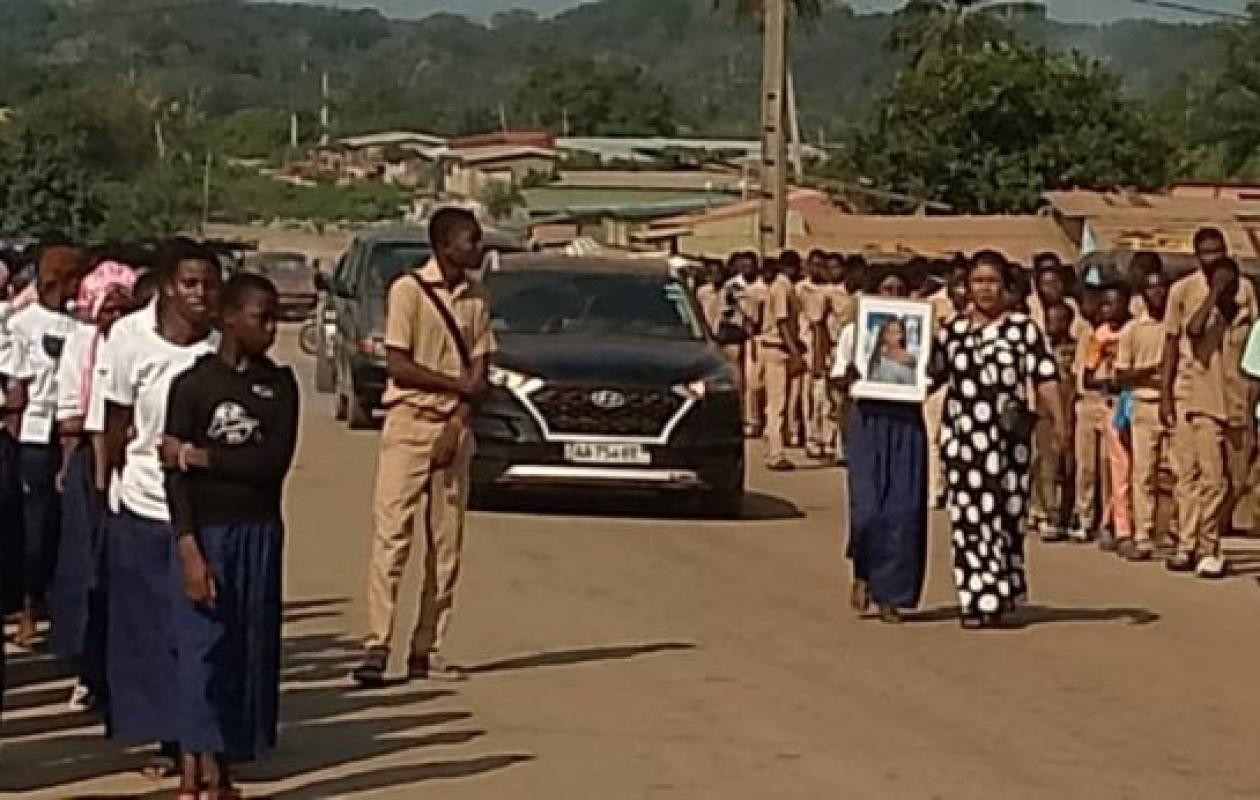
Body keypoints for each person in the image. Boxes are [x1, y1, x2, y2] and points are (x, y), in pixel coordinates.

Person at [160, 273, 298, 799]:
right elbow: (173, 477)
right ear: (230, 319)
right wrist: (188, 545)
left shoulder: (278, 386)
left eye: (275, 318)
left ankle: (223, 765)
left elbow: (270, 464)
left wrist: (200, 456)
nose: (272, 328)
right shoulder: (193, 385)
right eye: (262, 317)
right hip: (208, 534)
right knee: (202, 650)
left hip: (259, 532)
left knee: (246, 650)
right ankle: (196, 764)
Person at [353, 207, 495, 687]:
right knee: (392, 538)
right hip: (408, 422)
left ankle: (426, 647)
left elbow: (482, 369)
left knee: (446, 546)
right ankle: (377, 642)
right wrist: (456, 385)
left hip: (452, 429)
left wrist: (458, 418)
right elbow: (398, 364)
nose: (479, 249)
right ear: (444, 245)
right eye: (470, 240)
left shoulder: (475, 298)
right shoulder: (409, 292)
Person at [101, 237, 222, 775]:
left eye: (209, 285)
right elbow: (117, 419)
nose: (200, 295)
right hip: (143, 503)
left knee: (198, 629)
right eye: (189, 284)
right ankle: (169, 739)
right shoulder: (129, 338)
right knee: (151, 631)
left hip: (202, 512)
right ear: (168, 286)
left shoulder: (220, 346)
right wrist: (105, 482)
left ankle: (206, 735)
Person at [932, 250, 1067, 628]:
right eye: (978, 282)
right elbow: (932, 375)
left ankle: (1002, 588)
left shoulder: (1023, 330)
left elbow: (1044, 376)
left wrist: (1060, 423)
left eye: (992, 281)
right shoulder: (953, 332)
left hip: (1009, 441)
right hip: (964, 440)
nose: (985, 289)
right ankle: (976, 599)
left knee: (1007, 516)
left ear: (1005, 286)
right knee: (971, 519)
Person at [49, 257, 136, 711]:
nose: (113, 318)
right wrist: (72, 465)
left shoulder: (137, 346)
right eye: (107, 308)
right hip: (91, 461)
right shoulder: (81, 344)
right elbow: (72, 412)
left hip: (131, 466)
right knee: (88, 572)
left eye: (123, 309)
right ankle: (88, 668)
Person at [831, 267, 927, 623]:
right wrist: (850, 377)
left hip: (905, 422)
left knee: (902, 511)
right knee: (868, 509)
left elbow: (932, 375)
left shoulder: (920, 340)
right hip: (868, 420)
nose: (892, 294)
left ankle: (892, 595)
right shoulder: (855, 335)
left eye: (899, 289)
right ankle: (864, 570)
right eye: (885, 288)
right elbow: (837, 378)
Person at [1161, 231, 1257, 578]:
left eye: (1218, 252)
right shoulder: (1185, 291)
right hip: (1197, 393)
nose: (1212, 259)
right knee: (1200, 475)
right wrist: (1166, 395)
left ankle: (1201, 534)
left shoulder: (1246, 291)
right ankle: (1201, 545)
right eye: (1205, 254)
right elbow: (1182, 336)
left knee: (1237, 477)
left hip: (1238, 394)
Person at [4, 245, 85, 647]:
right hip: (34, 439)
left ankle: (50, 602)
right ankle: (27, 608)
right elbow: (17, 386)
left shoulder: (76, 328)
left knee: (57, 526)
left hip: (67, 434)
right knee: (31, 527)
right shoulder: (21, 324)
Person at [1115, 255, 1173, 561]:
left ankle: (1175, 532)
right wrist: (1151, 371)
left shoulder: (1176, 326)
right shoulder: (1133, 330)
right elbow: (1120, 373)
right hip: (1142, 402)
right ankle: (1143, 535)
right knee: (1143, 473)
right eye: (1152, 289)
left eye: (1162, 288)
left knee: (1178, 472)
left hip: (1175, 404)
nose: (1158, 294)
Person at [1082, 283, 1134, 551]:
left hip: (1138, 400)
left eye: (1112, 304)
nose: (1107, 310)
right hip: (1114, 404)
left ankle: (1111, 521)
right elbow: (1087, 377)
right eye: (1103, 304)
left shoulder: (1136, 329)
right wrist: (1109, 378)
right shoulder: (1100, 336)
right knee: (1120, 467)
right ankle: (1120, 528)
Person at [1033, 302, 1079, 542]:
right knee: (1047, 464)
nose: (1054, 325)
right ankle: (1050, 513)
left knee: (1070, 465)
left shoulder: (1076, 348)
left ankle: (1067, 511)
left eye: (1059, 320)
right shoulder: (1039, 349)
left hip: (1072, 408)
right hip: (1044, 412)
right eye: (1050, 320)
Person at [758, 254, 807, 471]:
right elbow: (782, 321)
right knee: (777, 402)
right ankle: (775, 453)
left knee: (782, 401)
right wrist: (794, 350)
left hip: (780, 347)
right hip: (777, 348)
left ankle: (773, 443)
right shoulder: (781, 287)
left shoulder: (785, 286)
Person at [797, 252, 834, 459]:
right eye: (815, 265)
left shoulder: (829, 291)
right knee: (812, 399)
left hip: (829, 349)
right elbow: (814, 324)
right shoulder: (801, 289)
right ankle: (811, 439)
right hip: (809, 349)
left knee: (828, 400)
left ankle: (827, 439)